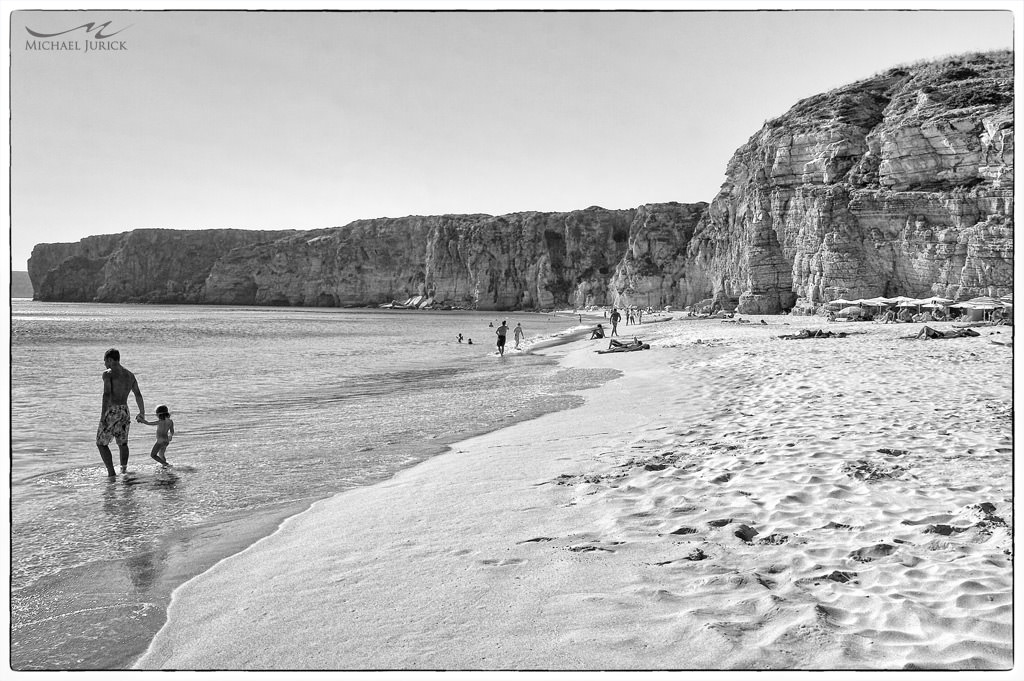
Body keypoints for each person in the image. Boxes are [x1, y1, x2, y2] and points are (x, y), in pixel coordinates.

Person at [96, 348, 146, 477]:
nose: (105, 364)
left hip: (112, 410)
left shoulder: (108, 374)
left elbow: (106, 394)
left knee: (101, 443)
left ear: (110, 360)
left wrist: (103, 415)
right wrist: (142, 413)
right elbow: (138, 395)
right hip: (124, 410)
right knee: (122, 443)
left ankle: (111, 472)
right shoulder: (130, 375)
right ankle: (123, 470)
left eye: (105, 361)